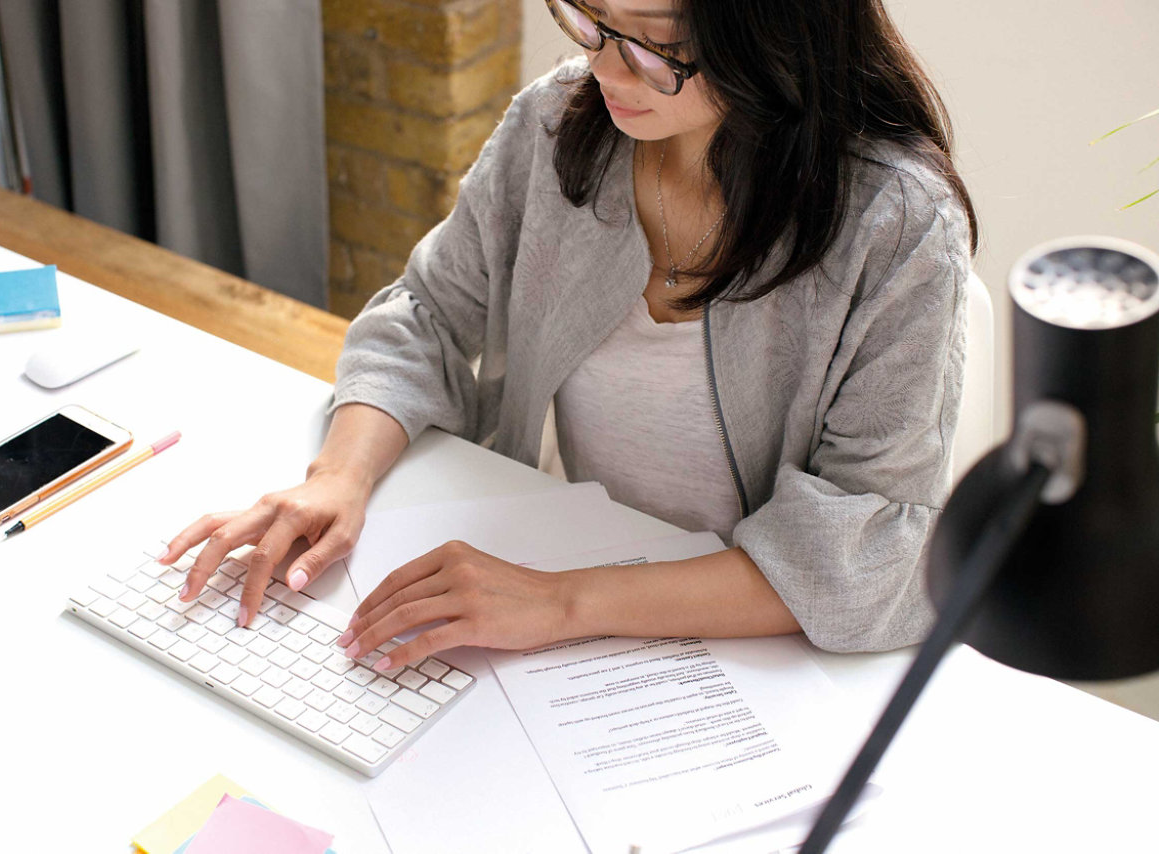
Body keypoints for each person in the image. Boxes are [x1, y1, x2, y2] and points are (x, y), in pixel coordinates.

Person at [160, 0, 978, 672]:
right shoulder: (558, 124)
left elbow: (862, 542)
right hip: (538, 562)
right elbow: (428, 311)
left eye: (657, 45)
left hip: (744, 648)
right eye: (590, 19)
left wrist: (560, 602)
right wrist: (337, 477)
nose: (605, 69)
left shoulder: (897, 227)